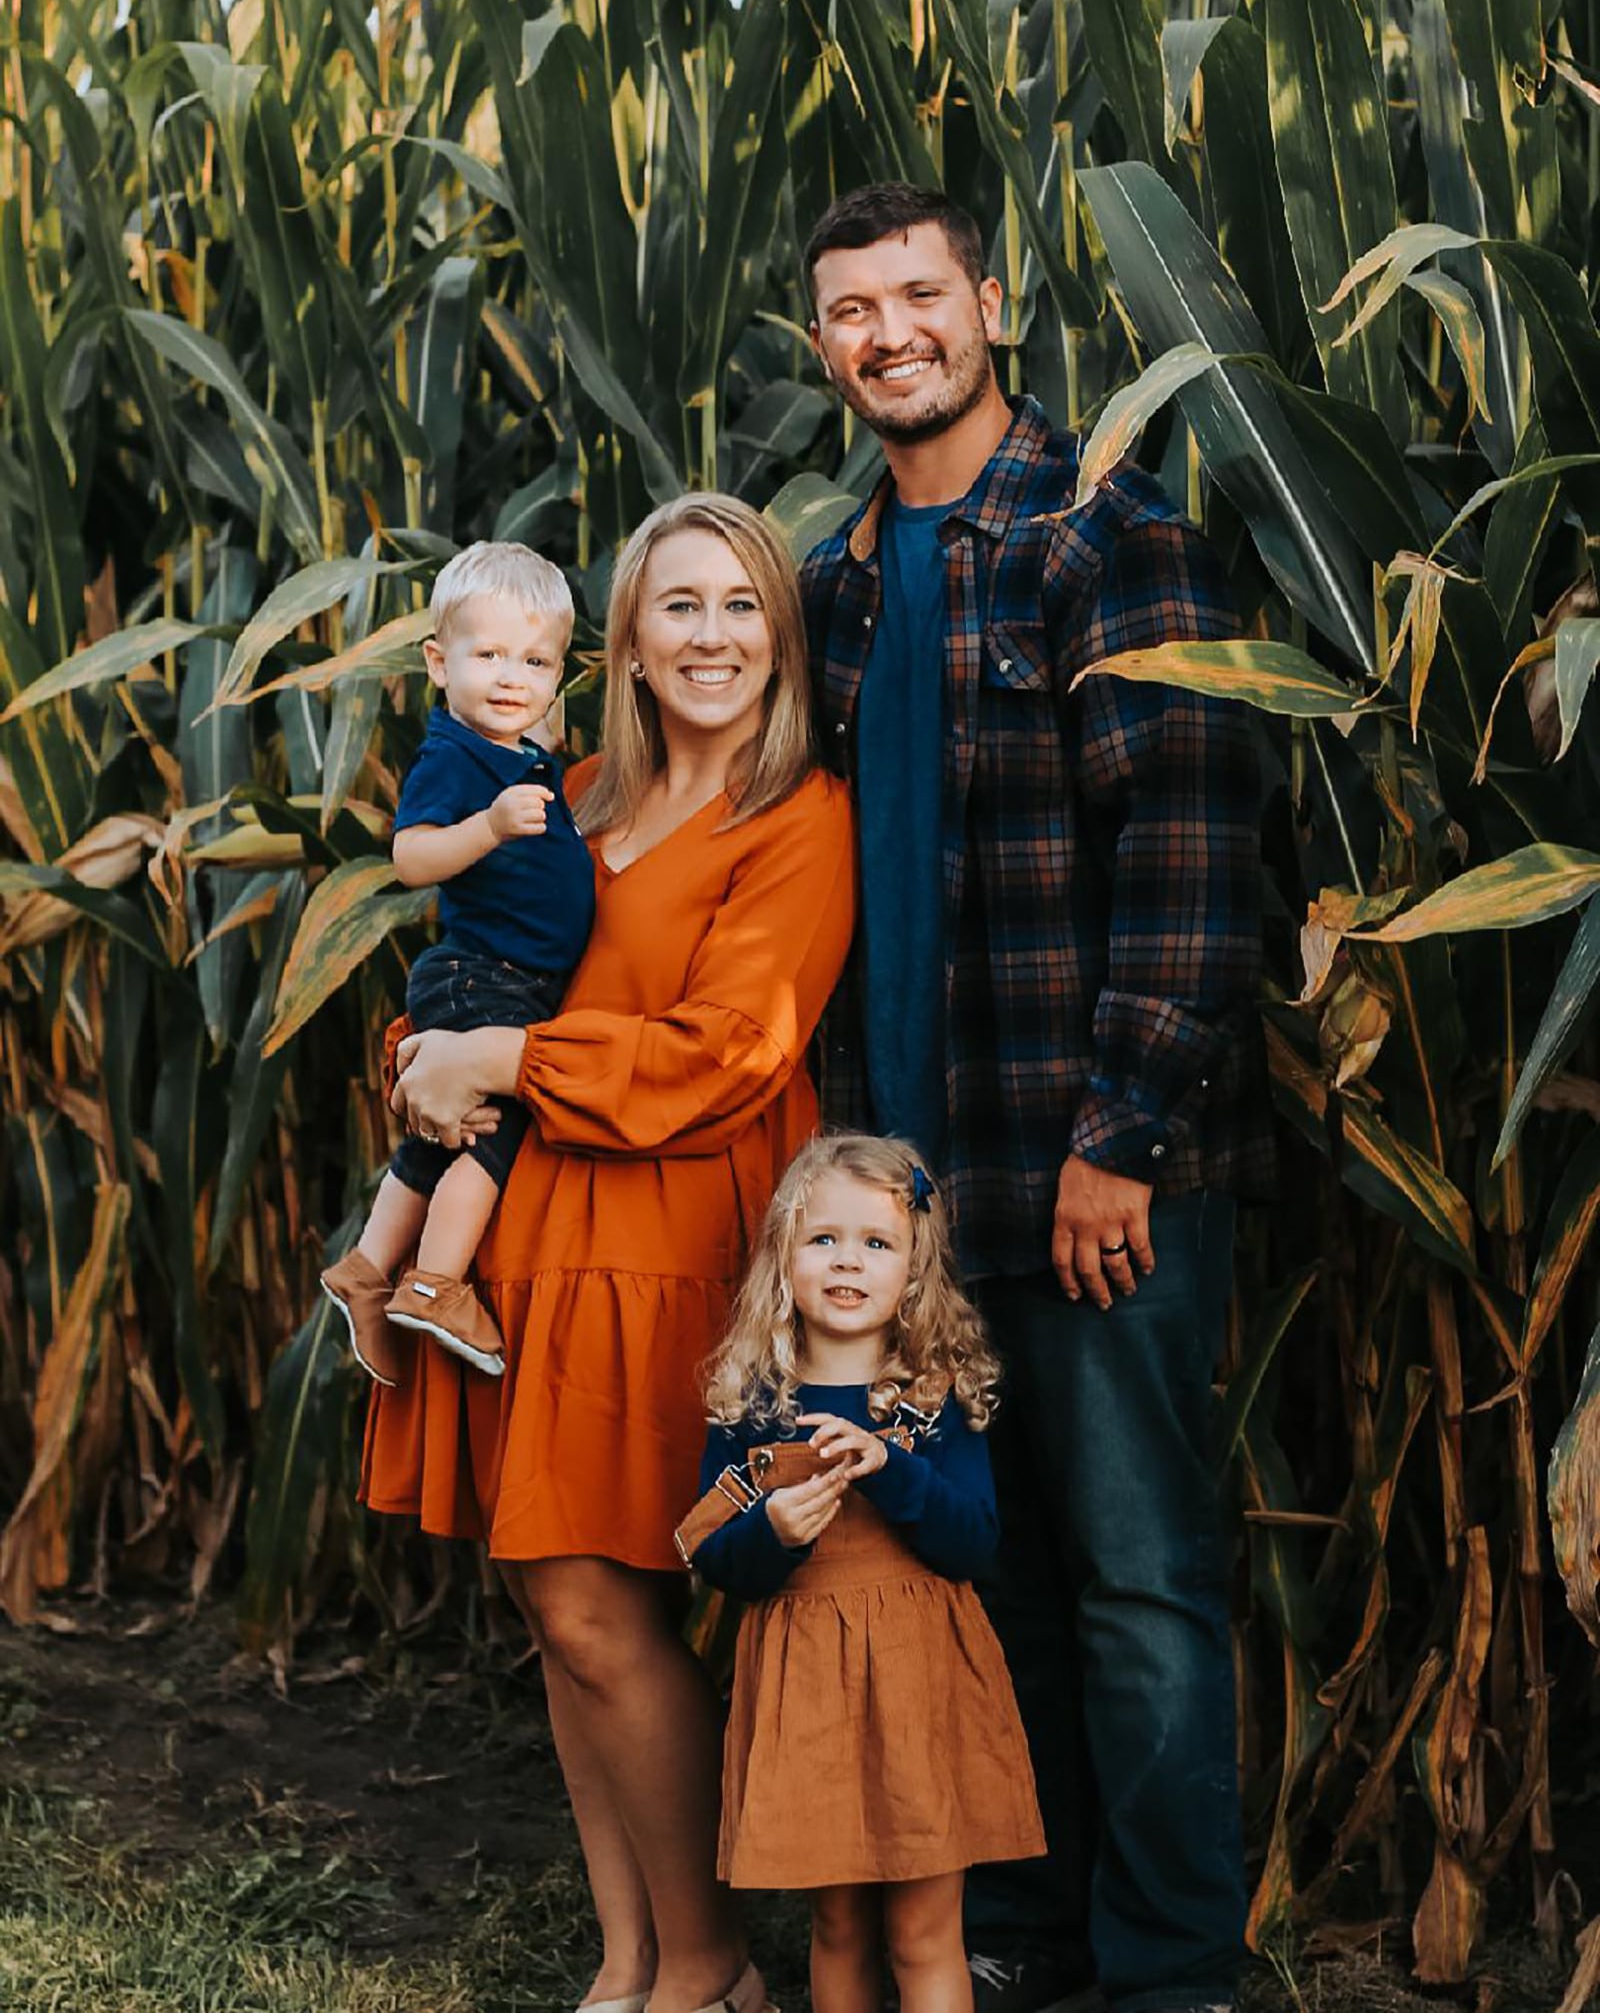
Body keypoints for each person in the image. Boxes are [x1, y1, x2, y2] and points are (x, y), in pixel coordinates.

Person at [800, 184, 1273, 2013]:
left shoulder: (1108, 540)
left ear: (992, 305)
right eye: (853, 311)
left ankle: (1172, 1974)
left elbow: (1188, 845)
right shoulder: (837, 587)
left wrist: (1118, 1136)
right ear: (825, 349)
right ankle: (1029, 1933)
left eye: (920, 294)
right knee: (987, 1575)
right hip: (917, 1195)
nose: (890, 333)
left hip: (1089, 1172)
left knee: (1141, 1577)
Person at [361, 493, 855, 2013]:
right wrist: (422, 1058)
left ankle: (712, 1971)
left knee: (601, 1602)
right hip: (529, 1241)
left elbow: (729, 1051)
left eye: (742, 606)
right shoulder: (562, 795)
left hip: (669, 1233)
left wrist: (499, 1062)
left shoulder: (797, 818)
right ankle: (631, 1956)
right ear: (624, 645)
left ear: (780, 636)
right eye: (678, 607)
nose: (712, 636)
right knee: (554, 1603)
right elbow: (467, 979)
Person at [685, 1132, 1044, 2013]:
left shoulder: (933, 1397)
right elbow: (716, 1557)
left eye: (877, 1244)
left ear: (915, 1272)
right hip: (807, 1689)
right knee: (839, 1927)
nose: (849, 1261)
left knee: (924, 1930)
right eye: (824, 1240)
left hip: (922, 1682)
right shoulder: (754, 1403)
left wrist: (893, 1468)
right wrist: (773, 1529)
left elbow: (975, 1543)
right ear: (784, 1260)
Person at [322, 541, 594, 1382]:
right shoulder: (455, 757)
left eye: (536, 659)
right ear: (439, 663)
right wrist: (490, 829)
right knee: (497, 1132)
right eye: (490, 655)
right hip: (487, 975)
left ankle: (368, 1268)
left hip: (499, 975)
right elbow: (410, 860)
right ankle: (437, 1283)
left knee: (441, 1144)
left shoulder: (521, 753)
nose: (513, 676)